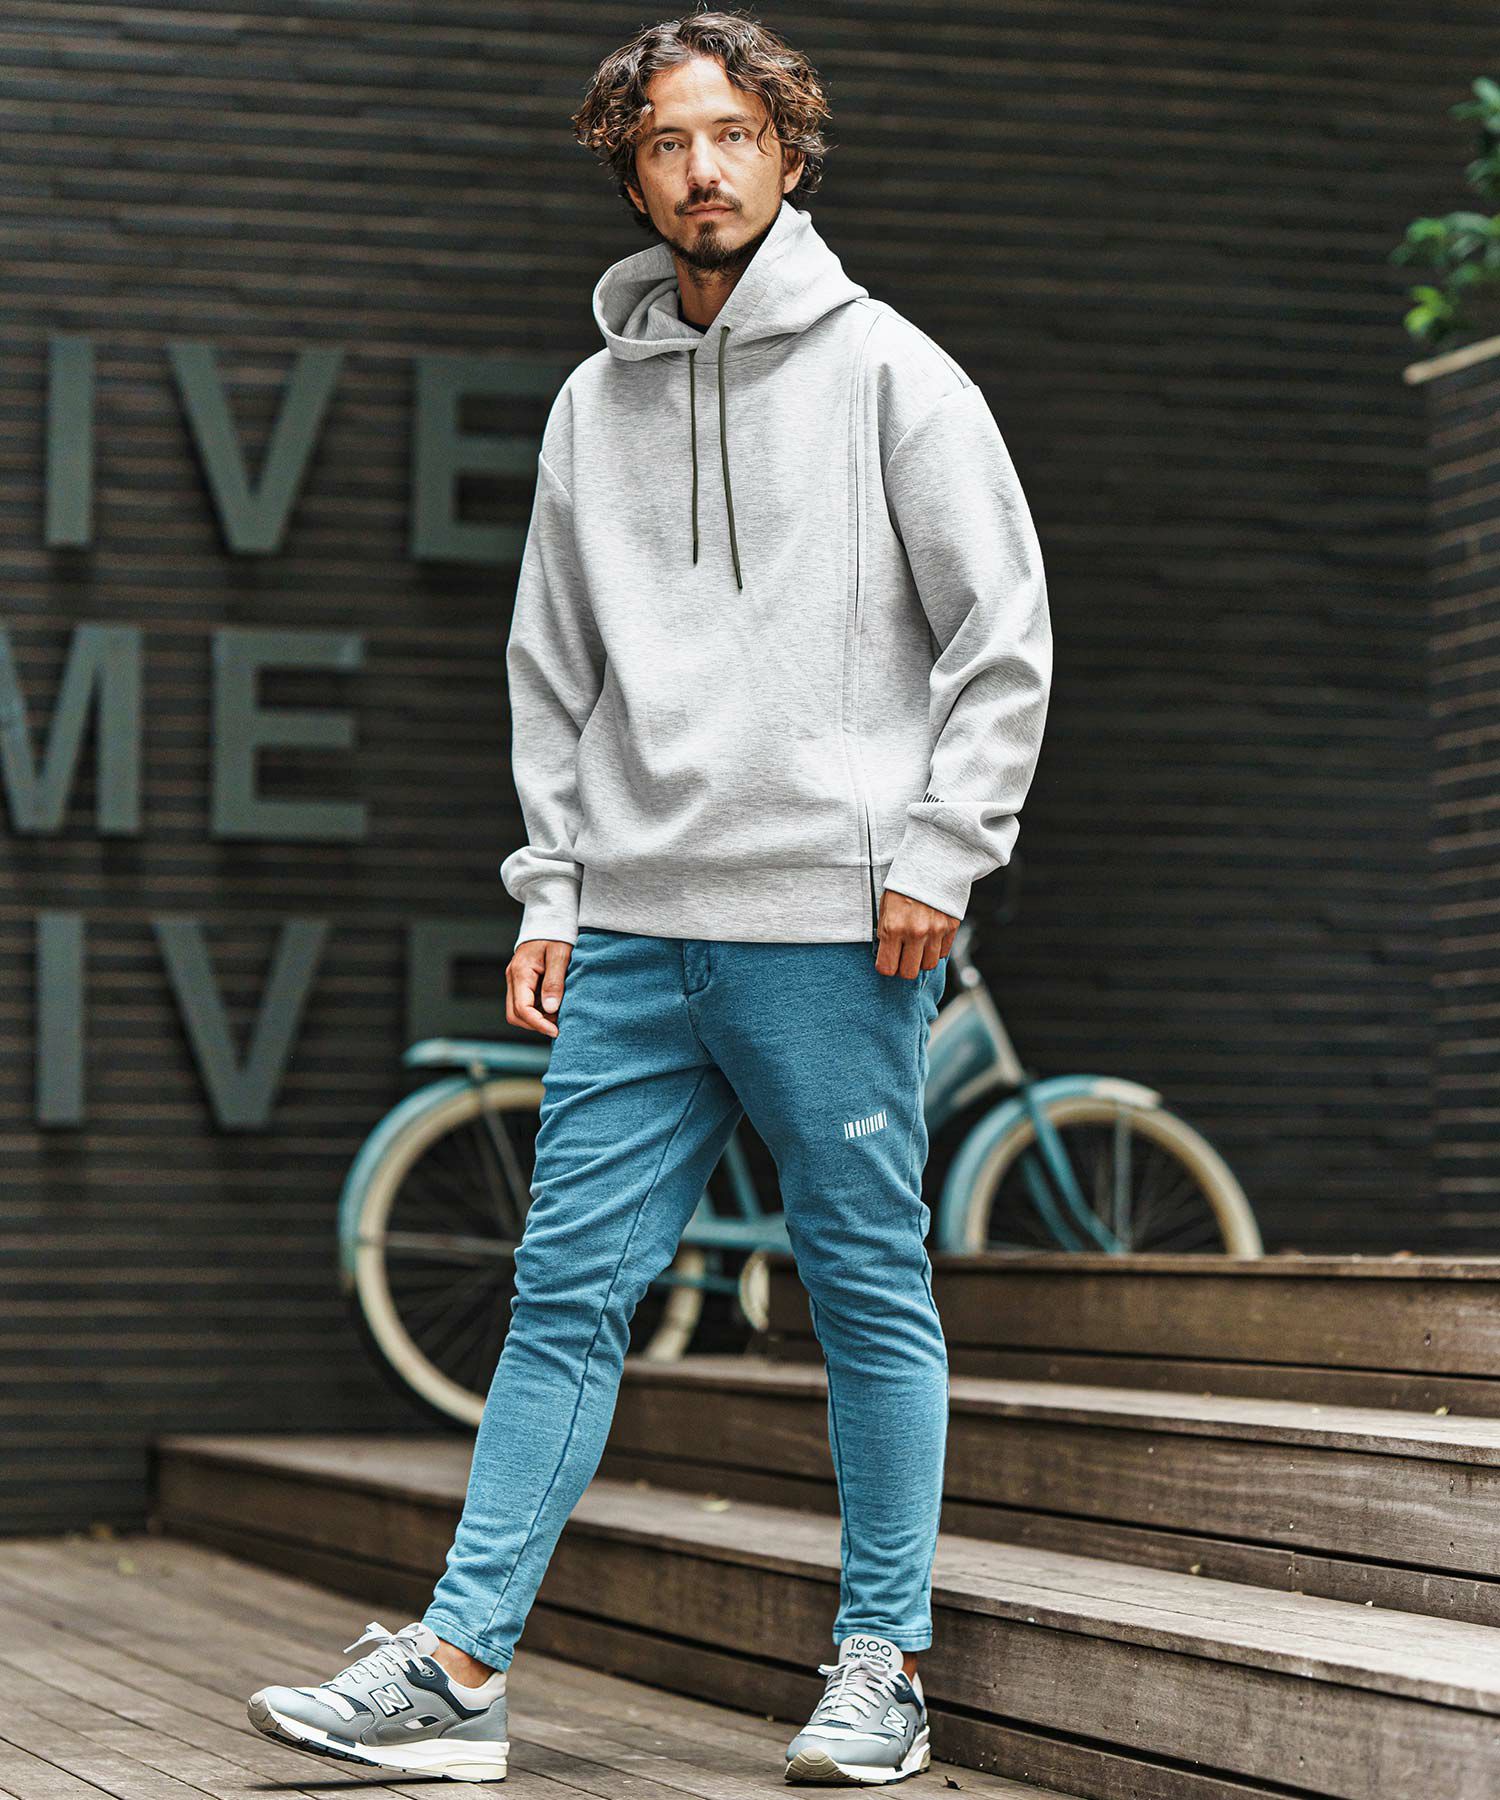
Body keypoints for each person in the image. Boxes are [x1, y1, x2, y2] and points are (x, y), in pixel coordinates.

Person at [246, 9, 1051, 1787]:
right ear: (630, 173)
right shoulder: (590, 405)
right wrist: (550, 889)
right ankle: (460, 1669)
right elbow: (551, 672)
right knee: (562, 1295)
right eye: (668, 142)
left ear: (788, 153)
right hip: (629, 924)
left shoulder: (893, 375)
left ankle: (883, 1668)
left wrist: (942, 852)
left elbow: (1003, 639)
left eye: (734, 136)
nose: (703, 170)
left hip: (832, 925)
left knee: (863, 1291)